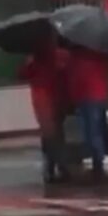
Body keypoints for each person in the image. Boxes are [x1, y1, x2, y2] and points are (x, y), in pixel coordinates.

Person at [19, 32, 71, 183]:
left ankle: (52, 167)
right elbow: (68, 75)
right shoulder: (62, 56)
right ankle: (60, 166)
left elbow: (22, 74)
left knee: (49, 135)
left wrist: (29, 63)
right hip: (59, 99)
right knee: (58, 134)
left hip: (43, 101)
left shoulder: (35, 60)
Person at [67, 46, 108, 181]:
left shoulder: (76, 57)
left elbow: (73, 77)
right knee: (96, 130)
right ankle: (98, 159)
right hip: (99, 95)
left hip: (85, 96)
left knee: (90, 132)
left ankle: (97, 161)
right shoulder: (102, 55)